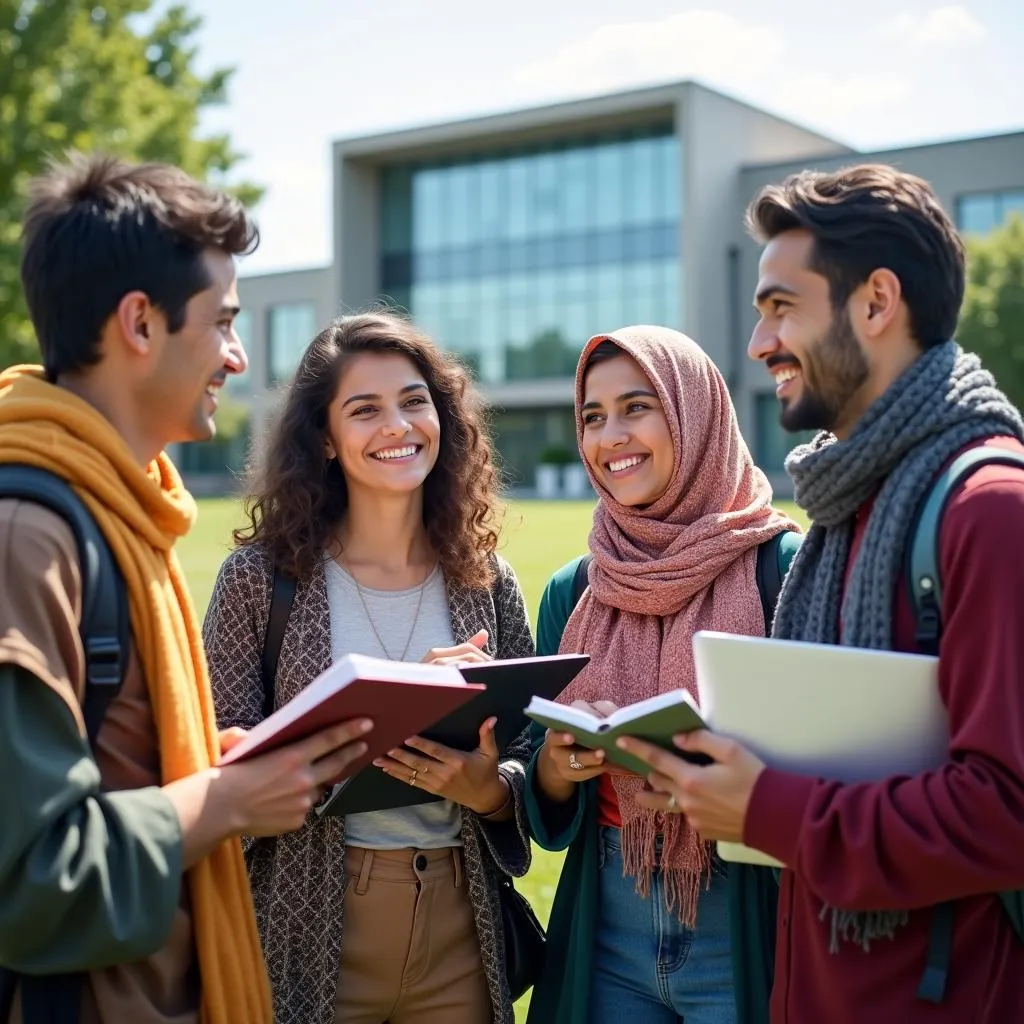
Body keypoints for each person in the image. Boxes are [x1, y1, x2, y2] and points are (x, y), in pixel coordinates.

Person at [618, 165, 1024, 1023]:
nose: (760, 343)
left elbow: (1008, 811)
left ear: (876, 303)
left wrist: (765, 807)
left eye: (781, 306)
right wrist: (710, 778)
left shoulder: (988, 511)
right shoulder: (845, 508)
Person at [0, 154, 372, 1024]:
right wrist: (224, 800)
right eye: (224, 322)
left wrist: (205, 768)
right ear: (139, 322)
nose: (238, 359)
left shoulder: (126, 504)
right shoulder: (31, 540)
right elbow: (28, 878)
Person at [203, 311, 536, 1024]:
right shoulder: (258, 581)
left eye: (415, 401)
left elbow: (525, 758)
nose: (398, 425)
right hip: (306, 923)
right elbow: (217, 765)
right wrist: (388, 707)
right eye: (365, 409)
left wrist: (491, 791)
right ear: (324, 437)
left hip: (459, 925)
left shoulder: (487, 579)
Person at [523, 325, 801, 1024]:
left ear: (694, 411)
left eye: (637, 407)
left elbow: (833, 763)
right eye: (592, 417)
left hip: (742, 916)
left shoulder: (784, 568)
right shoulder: (575, 588)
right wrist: (559, 766)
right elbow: (543, 804)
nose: (610, 435)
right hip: (607, 921)